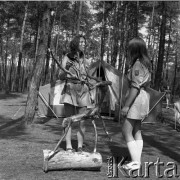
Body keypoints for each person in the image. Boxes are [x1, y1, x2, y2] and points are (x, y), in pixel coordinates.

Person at [59, 35, 95, 153]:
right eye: (81, 42)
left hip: (83, 91)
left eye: (84, 42)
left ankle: (79, 146)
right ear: (75, 44)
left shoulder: (86, 59)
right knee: (69, 119)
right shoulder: (67, 58)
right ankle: (69, 146)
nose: (84, 44)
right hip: (70, 88)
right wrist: (66, 70)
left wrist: (92, 92)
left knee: (82, 120)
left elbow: (89, 78)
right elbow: (60, 76)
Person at [121, 37, 151, 171]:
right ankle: (136, 161)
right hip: (143, 97)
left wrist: (126, 106)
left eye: (129, 48)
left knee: (126, 130)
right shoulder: (145, 62)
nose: (128, 50)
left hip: (137, 98)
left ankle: (135, 162)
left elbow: (135, 87)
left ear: (134, 49)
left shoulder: (138, 64)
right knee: (137, 130)